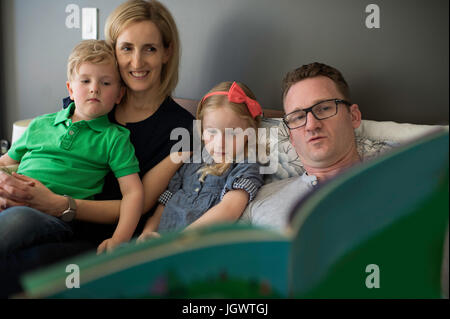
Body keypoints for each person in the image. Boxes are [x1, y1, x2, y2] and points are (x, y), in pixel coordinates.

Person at [0, 0, 194, 297]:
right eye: (127, 48)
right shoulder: (91, 102)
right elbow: (39, 156)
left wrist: (58, 204)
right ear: (113, 49)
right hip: (36, 213)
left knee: (14, 267)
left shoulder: (182, 129)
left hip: (101, 240)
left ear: (167, 52)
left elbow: (137, 202)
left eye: (150, 49)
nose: (137, 62)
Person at [0, 39, 144, 255]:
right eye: (85, 81)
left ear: (119, 95)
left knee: (18, 219)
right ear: (70, 89)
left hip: (51, 217)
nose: (94, 88)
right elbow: (5, 162)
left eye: (105, 83)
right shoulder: (40, 124)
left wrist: (119, 239)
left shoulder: (114, 138)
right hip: (10, 199)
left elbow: (133, 193)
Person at [243, 62, 363, 231]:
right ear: (291, 136)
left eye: (324, 108)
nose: (311, 125)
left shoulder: (400, 175)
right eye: (298, 117)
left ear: (354, 117)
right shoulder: (258, 200)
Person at [138, 81, 264, 241]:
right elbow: (166, 201)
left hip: (194, 246)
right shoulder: (193, 159)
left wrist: (179, 240)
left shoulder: (246, 165)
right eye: (211, 132)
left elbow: (229, 209)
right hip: (161, 240)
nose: (220, 143)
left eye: (232, 133)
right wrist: (148, 232)